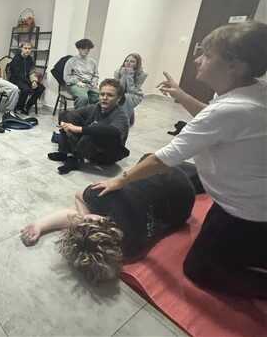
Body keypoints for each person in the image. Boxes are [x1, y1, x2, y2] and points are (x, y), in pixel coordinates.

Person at [90, 22, 266, 299]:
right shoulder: (253, 90)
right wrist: (182, 96)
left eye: (207, 54)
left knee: (199, 269)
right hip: (239, 196)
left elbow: (164, 159)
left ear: (233, 64)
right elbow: (214, 116)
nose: (198, 60)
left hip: (249, 212)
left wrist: (118, 181)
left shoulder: (233, 108)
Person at [21, 162, 198, 283]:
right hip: (172, 176)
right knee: (145, 164)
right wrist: (82, 218)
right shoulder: (100, 198)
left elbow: (74, 210)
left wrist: (40, 225)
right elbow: (78, 199)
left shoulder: (131, 248)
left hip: (185, 206)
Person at [48, 78, 129, 175]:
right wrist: (64, 123)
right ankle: (69, 155)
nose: (104, 98)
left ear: (118, 98)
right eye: (102, 94)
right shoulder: (95, 107)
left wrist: (78, 129)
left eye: (110, 95)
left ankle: (72, 155)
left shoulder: (120, 116)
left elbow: (113, 132)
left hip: (106, 155)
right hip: (90, 148)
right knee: (68, 116)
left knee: (95, 128)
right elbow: (69, 114)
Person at [7, 40, 45, 115]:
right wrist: (30, 82)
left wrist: (34, 81)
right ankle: (18, 107)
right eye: (25, 48)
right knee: (25, 89)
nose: (27, 50)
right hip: (15, 78)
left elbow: (31, 71)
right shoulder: (17, 58)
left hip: (26, 79)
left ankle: (27, 107)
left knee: (41, 87)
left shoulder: (30, 59)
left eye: (29, 48)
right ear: (21, 48)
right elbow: (17, 74)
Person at [63, 38, 99, 108]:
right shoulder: (71, 61)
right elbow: (66, 77)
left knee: (100, 96)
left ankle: (90, 113)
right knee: (83, 98)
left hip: (89, 84)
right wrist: (77, 82)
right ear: (79, 49)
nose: (86, 50)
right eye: (83, 48)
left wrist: (94, 82)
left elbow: (96, 75)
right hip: (75, 84)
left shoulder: (92, 62)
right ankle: (77, 114)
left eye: (88, 49)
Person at [114, 53, 148, 122]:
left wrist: (129, 75)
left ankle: (123, 121)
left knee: (127, 96)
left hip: (135, 94)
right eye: (126, 61)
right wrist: (124, 75)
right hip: (120, 92)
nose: (128, 63)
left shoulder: (142, 74)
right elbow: (119, 88)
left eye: (132, 61)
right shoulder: (118, 72)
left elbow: (132, 90)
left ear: (137, 64)